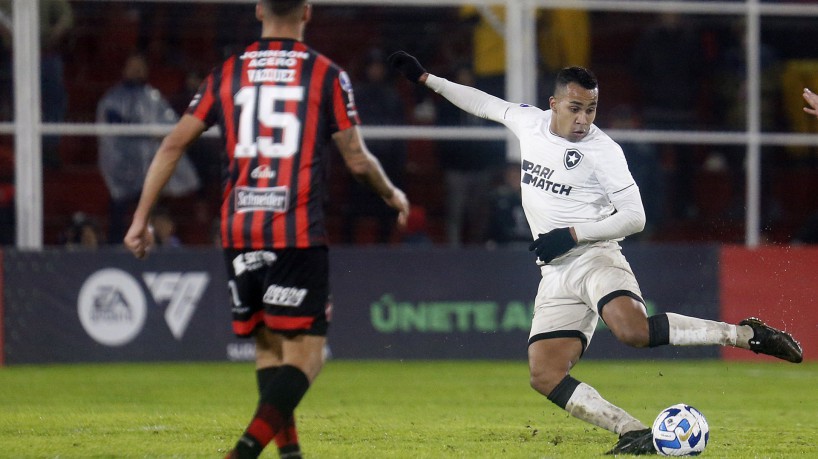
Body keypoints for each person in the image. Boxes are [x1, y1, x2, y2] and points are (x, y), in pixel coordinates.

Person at [388, 50, 803, 455]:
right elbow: (483, 103)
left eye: (591, 109)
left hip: (595, 255)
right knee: (544, 374)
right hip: (554, 271)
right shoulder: (530, 123)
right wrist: (427, 79)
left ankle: (747, 335)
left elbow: (635, 217)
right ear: (553, 105)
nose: (584, 119)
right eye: (575, 108)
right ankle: (632, 431)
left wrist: (573, 233)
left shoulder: (604, 151)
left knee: (633, 332)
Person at [124, 2, 409, 458]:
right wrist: (392, 194)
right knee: (307, 358)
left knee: (269, 349)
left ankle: (289, 454)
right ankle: (243, 452)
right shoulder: (325, 74)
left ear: (258, 10)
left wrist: (140, 219)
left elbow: (173, 143)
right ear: (308, 12)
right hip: (294, 231)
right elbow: (356, 160)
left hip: (238, 231)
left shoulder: (227, 73)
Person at [97, 53, 200, 244]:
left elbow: (172, 127)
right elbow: (114, 128)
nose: (136, 71)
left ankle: (159, 249)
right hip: (123, 171)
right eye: (132, 66)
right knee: (121, 214)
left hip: (151, 170)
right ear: (124, 69)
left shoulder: (153, 97)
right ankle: (116, 249)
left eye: (140, 66)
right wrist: (145, 132)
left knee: (156, 212)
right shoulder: (112, 99)